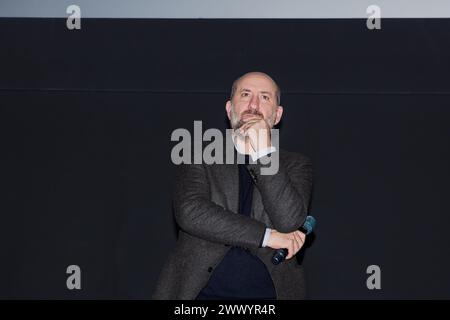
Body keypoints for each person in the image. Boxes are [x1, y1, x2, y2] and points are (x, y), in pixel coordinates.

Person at [153, 72, 313, 300]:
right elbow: (191, 213)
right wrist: (267, 236)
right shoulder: (198, 155)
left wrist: (265, 153)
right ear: (229, 109)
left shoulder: (295, 165)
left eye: (265, 97)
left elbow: (289, 220)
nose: (254, 104)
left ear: (277, 115)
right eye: (246, 94)